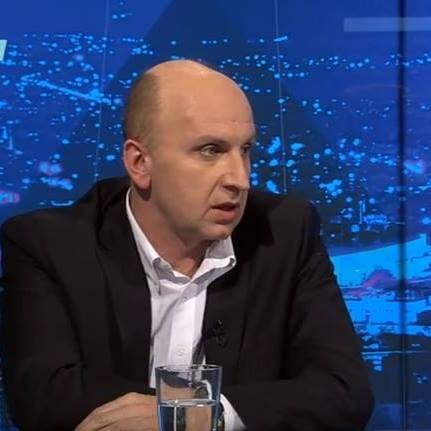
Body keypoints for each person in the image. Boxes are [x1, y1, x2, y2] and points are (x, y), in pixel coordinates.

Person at [0, 60, 374, 431]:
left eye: (245, 150)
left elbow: (344, 391)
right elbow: (43, 395)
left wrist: (204, 415)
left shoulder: (285, 232)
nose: (240, 179)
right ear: (140, 162)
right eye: (210, 150)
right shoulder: (50, 245)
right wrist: (182, 414)